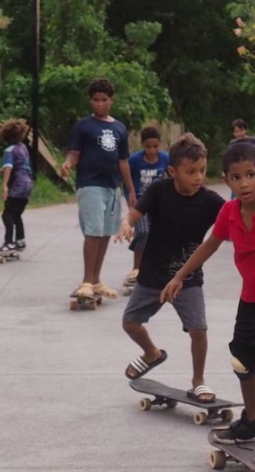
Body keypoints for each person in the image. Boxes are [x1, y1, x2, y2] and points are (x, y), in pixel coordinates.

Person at [162, 142, 255, 465]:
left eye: (250, 175)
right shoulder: (229, 213)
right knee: (242, 361)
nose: (244, 183)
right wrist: (180, 277)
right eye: (236, 177)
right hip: (252, 296)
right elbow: (209, 246)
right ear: (226, 180)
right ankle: (253, 422)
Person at [116, 133, 225, 403]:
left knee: (198, 329)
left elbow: (235, 221)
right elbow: (134, 213)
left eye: (201, 170)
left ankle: (198, 380)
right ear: (172, 171)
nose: (198, 177)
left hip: (188, 277)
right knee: (130, 323)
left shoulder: (211, 201)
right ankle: (151, 353)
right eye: (191, 172)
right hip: (152, 273)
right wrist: (126, 223)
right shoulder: (158, 191)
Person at [60, 78, 138, 300]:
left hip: (112, 187)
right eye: (96, 100)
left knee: (105, 233)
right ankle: (86, 280)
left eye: (104, 100)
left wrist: (130, 191)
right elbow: (74, 154)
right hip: (90, 184)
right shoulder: (83, 126)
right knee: (93, 232)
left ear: (111, 101)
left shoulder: (119, 128)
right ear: (90, 101)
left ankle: (96, 280)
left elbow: (123, 161)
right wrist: (67, 164)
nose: (100, 104)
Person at [124, 126, 170, 285]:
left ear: (160, 144)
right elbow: (127, 180)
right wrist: (129, 197)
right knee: (143, 232)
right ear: (143, 145)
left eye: (155, 146)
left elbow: (174, 178)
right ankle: (136, 270)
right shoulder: (135, 160)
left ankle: (155, 270)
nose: (152, 150)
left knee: (158, 235)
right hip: (140, 203)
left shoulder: (165, 159)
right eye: (148, 147)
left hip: (159, 204)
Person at [0, 118, 34, 252]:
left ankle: (8, 242)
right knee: (16, 214)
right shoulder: (23, 147)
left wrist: (4, 185)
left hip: (17, 186)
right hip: (28, 185)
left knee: (7, 214)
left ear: (5, 136)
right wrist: (0, 170)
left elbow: (9, 167)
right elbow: (19, 164)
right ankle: (20, 241)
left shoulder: (9, 150)